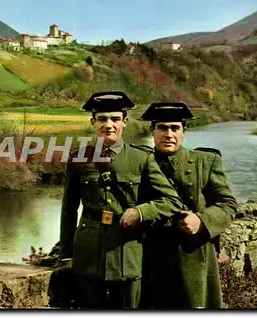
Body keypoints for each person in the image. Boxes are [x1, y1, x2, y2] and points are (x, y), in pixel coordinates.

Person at [59, 92, 184, 309]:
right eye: (102, 119)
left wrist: (141, 212)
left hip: (127, 252)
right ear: (92, 122)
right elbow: (69, 209)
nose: (108, 125)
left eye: (115, 119)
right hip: (88, 254)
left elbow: (173, 201)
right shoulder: (78, 157)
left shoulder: (141, 158)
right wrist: (66, 254)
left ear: (124, 122)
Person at [139, 102, 237, 309]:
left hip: (194, 256)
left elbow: (227, 204)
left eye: (175, 128)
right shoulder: (137, 163)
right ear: (152, 130)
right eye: (162, 128)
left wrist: (201, 220)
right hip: (151, 259)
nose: (168, 134)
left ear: (184, 131)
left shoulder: (206, 161)